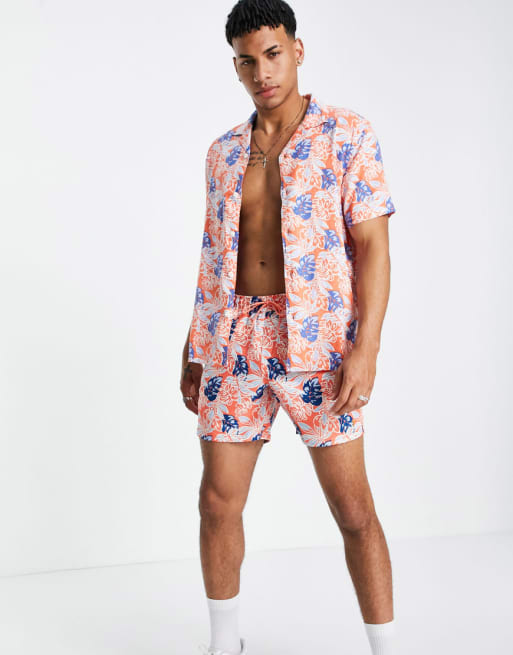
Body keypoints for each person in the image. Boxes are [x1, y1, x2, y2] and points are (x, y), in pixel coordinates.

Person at [181, 1, 397, 653]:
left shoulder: (346, 134)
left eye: (272, 54)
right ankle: (225, 643)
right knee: (217, 502)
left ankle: (387, 648)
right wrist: (194, 344)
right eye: (246, 61)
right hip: (232, 338)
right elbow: (214, 253)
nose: (262, 72)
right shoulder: (222, 153)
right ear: (235, 67)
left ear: (296, 51)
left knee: (353, 510)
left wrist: (366, 348)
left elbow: (373, 247)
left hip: (319, 343)